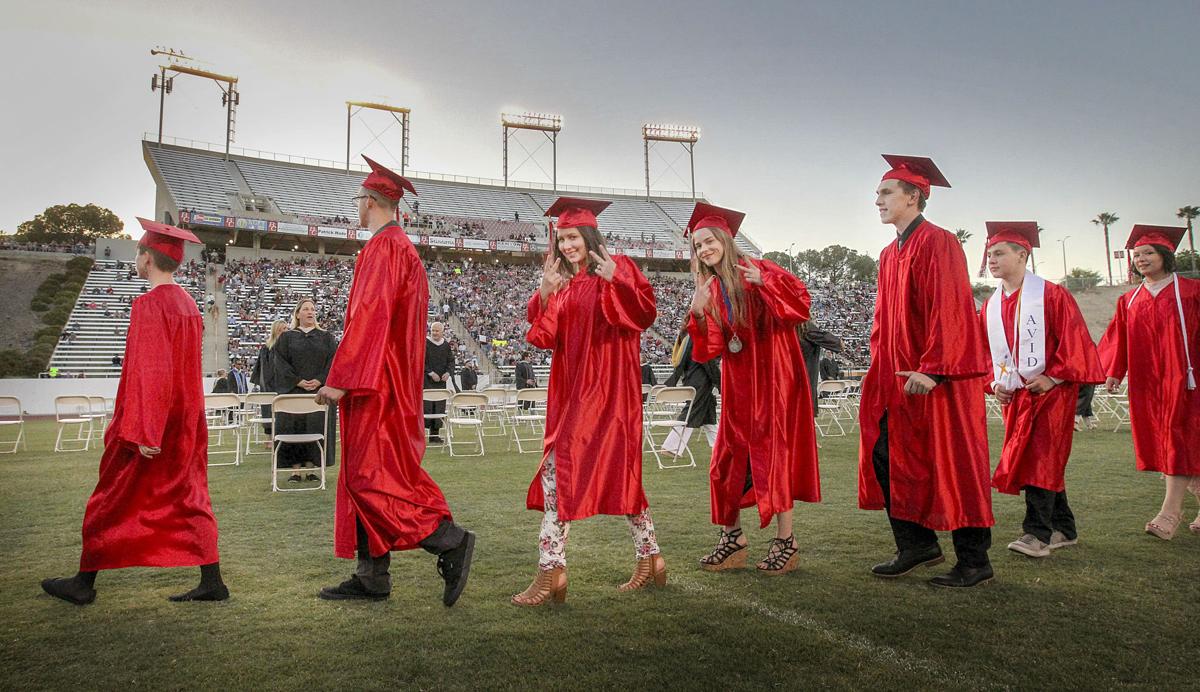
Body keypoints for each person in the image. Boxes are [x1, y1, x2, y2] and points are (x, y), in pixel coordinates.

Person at [41, 218, 228, 605]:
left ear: (147, 258)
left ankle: (84, 581)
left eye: (139, 253)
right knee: (190, 496)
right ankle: (212, 581)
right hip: (185, 420)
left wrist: (145, 429)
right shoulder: (189, 304)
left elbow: (152, 370)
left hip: (150, 422)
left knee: (110, 495)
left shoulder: (149, 305)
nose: (138, 259)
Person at [314, 156, 474, 606]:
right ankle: (371, 575)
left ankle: (449, 540)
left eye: (358, 200)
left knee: (372, 478)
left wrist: (343, 379)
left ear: (369, 202)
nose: (357, 207)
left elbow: (370, 318)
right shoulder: (402, 249)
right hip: (390, 381)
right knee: (367, 476)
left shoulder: (384, 248)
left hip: (377, 386)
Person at [514, 197, 664, 606]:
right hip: (572, 393)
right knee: (607, 476)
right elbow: (542, 337)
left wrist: (618, 279)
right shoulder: (564, 284)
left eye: (573, 237)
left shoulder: (620, 268)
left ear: (590, 236)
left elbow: (644, 314)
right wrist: (545, 293)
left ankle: (552, 572)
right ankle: (650, 558)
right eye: (561, 238)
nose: (566, 245)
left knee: (562, 477)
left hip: (608, 394)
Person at [857, 155, 995, 588]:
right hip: (896, 379)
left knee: (952, 463)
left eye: (885, 192)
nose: (876, 199)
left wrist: (935, 368)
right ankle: (916, 544)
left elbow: (951, 309)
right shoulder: (888, 252)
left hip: (939, 380)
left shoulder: (939, 241)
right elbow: (884, 320)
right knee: (887, 456)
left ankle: (974, 561)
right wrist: (879, 368)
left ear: (914, 196)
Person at [686, 202, 819, 575]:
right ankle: (733, 538)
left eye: (709, 241)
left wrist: (768, 284)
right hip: (738, 382)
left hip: (774, 377)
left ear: (726, 240)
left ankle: (786, 541)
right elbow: (710, 346)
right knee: (725, 462)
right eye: (698, 246)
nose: (704, 249)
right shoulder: (710, 286)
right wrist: (699, 312)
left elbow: (801, 307)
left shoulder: (760, 269)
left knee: (773, 457)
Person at [978, 222, 1104, 557]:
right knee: (1039, 461)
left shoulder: (1051, 294)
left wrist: (1055, 377)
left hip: (1051, 396)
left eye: (999, 253)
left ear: (1023, 255)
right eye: (989, 254)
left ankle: (1037, 535)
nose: (991, 260)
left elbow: (1076, 341)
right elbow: (982, 353)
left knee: (1041, 459)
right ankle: (1065, 528)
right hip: (1015, 397)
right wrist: (994, 383)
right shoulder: (990, 306)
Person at [1099, 224, 1200, 539]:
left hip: (1187, 379)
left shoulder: (1191, 291)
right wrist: (1114, 370)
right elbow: (1120, 339)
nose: (1141, 259)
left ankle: (1170, 513)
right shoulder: (1130, 300)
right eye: (1137, 254)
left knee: (1179, 438)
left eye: (1148, 253)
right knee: (1175, 441)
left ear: (1165, 255)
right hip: (1149, 382)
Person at [274, 299, 337, 482]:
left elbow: (333, 362)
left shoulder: (326, 337)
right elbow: (280, 363)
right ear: (298, 314)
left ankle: (311, 469)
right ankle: (295, 471)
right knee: (294, 429)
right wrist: (298, 381)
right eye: (306, 309)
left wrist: (320, 379)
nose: (310, 312)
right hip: (294, 390)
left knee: (315, 427)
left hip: (319, 392)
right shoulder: (286, 338)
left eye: (313, 309)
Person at [661, 327, 720, 456]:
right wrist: (720, 382)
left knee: (709, 415)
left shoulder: (688, 337)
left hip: (693, 378)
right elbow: (708, 363)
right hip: (701, 381)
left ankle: (718, 445)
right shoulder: (699, 337)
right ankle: (671, 446)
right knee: (690, 412)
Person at [423, 321, 454, 444]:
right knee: (427, 408)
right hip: (427, 382)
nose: (434, 333)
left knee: (439, 409)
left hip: (441, 383)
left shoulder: (446, 346)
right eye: (433, 330)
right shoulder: (425, 343)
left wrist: (448, 373)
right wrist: (430, 373)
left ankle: (434, 435)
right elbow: (421, 361)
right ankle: (422, 434)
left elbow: (451, 361)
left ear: (442, 332)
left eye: (437, 331)